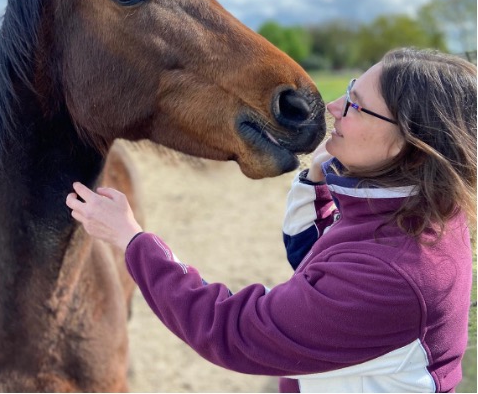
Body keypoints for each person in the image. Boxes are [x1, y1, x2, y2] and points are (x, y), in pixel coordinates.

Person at [66, 47, 476, 393]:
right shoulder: (411, 210)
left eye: (357, 106)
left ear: (415, 150)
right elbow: (313, 259)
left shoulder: (398, 272)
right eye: (350, 89)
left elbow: (233, 331)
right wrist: (317, 178)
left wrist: (131, 239)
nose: (334, 107)